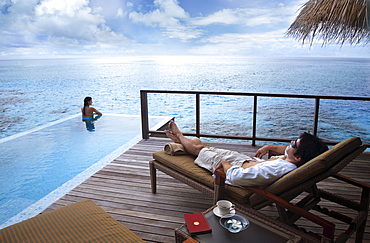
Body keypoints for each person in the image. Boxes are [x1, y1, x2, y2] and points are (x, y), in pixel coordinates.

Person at [165, 120, 328, 187]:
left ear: (298, 157)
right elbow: (285, 153)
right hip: (243, 160)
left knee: (201, 149)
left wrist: (225, 165)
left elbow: (238, 177)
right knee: (207, 147)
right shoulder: (292, 161)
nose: (290, 143)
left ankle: (180, 136)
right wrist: (269, 146)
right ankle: (182, 143)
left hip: (234, 167)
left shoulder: (277, 169)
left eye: (294, 144)